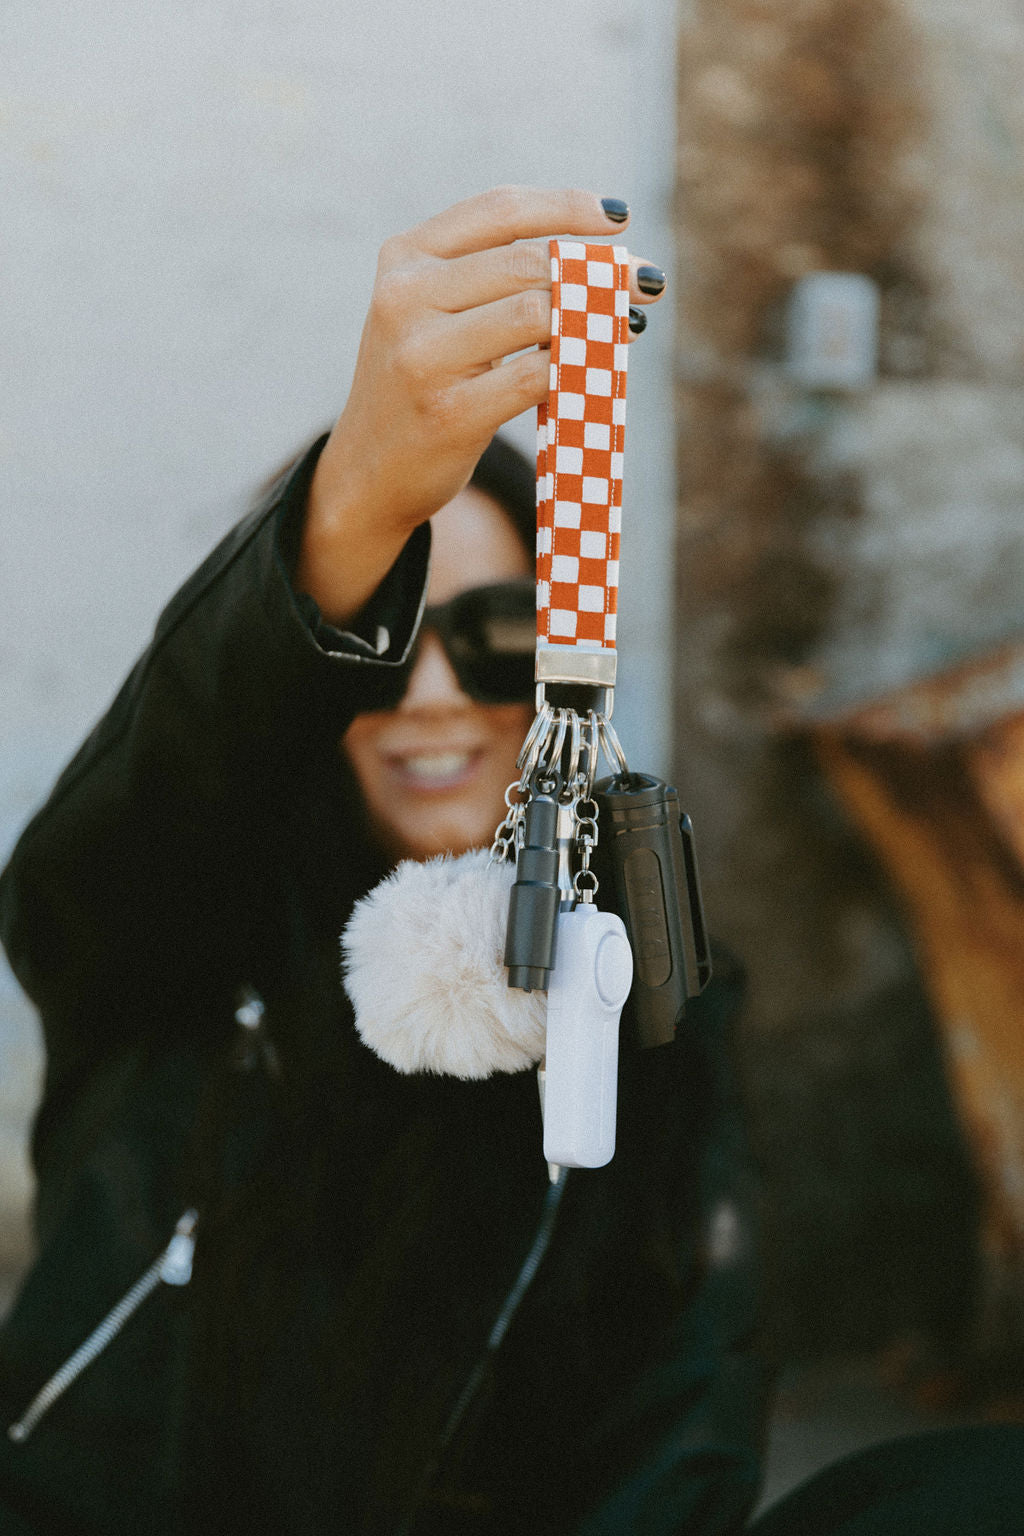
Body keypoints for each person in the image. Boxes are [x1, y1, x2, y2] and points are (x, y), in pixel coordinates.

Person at [0, 187, 769, 1535]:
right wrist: (349, 508)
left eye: (488, 635)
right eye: (379, 635)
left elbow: (685, 1431)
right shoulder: (172, 949)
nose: (426, 699)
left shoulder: (651, 1009)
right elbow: (122, 823)